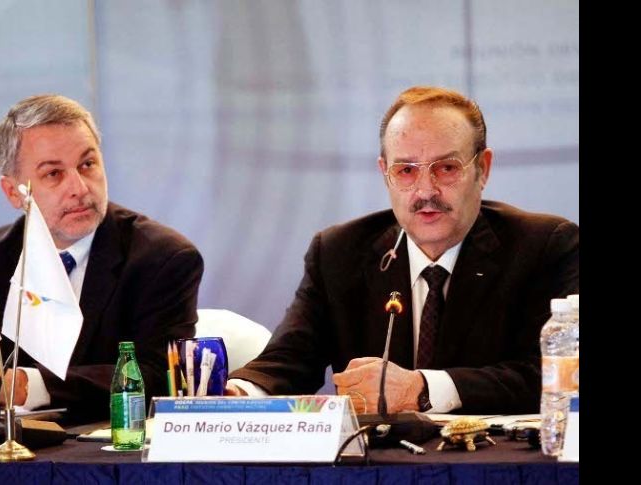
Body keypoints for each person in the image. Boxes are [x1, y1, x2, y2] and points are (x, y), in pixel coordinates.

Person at [227, 85, 578, 415]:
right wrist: (237, 395)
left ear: (482, 169)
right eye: (406, 170)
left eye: (447, 168)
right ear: (385, 174)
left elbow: (553, 375)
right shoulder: (338, 254)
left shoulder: (545, 247)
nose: (426, 190)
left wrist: (423, 388)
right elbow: (289, 360)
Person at [0, 94, 204, 424]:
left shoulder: (163, 258)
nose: (79, 188)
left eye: (87, 165)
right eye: (53, 174)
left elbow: (160, 378)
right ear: (11, 192)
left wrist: (22, 386)